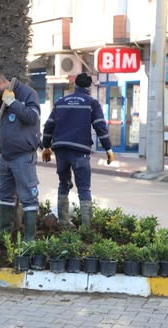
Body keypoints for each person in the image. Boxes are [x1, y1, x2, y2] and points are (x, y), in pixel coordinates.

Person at [41, 72, 114, 226]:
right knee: (84, 188)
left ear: (75, 85)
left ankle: (62, 221)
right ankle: (86, 228)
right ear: (89, 87)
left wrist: (46, 146)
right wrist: (108, 149)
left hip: (61, 150)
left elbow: (49, 125)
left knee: (63, 183)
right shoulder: (91, 103)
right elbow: (100, 126)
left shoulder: (60, 101)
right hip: (80, 151)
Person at [0, 69, 41, 241]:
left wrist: (13, 102)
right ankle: (4, 235)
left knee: (28, 196)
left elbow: (32, 118)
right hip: (4, 156)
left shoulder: (27, 94)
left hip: (23, 156)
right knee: (4, 194)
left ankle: (29, 240)